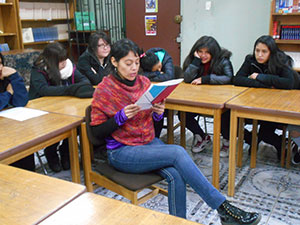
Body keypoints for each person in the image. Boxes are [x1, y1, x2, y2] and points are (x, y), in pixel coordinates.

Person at [90, 38, 261, 225]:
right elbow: (97, 133)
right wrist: (120, 117)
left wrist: (157, 114)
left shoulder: (144, 82)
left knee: (176, 173)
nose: (134, 68)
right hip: (122, 151)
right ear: (114, 62)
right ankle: (223, 208)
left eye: (137, 63)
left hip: (147, 143)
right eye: (128, 63)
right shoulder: (105, 90)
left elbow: (152, 129)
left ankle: (179, 222)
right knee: (178, 152)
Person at [221, 35, 300, 158]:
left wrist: (260, 76)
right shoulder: (250, 60)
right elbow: (237, 79)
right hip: (252, 104)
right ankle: (251, 138)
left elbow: (288, 83)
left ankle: (280, 143)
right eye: (257, 51)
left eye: (264, 51)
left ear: (271, 52)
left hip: (275, 106)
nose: (259, 55)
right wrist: (265, 85)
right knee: (226, 118)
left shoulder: (281, 60)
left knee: (266, 134)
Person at [29, 42, 94, 173]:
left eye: (65, 59)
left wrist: (70, 89)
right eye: (60, 61)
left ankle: (66, 150)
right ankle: (51, 151)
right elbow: (44, 90)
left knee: (79, 123)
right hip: (43, 110)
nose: (64, 63)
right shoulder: (39, 69)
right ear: (52, 61)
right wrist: (71, 89)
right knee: (56, 127)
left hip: (65, 107)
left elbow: (85, 82)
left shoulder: (69, 67)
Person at [181, 36, 233, 153]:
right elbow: (187, 78)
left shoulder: (223, 60)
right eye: (200, 52)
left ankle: (226, 142)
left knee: (226, 115)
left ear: (214, 53)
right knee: (183, 114)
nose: (203, 55)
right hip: (198, 99)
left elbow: (229, 78)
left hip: (219, 99)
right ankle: (202, 136)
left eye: (207, 52)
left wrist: (205, 79)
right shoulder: (194, 60)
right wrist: (195, 61)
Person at [0, 52, 35, 171]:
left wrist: (14, 75)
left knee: (25, 137)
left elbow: (21, 101)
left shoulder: (5, 78)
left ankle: (30, 177)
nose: (0, 68)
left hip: (8, 123)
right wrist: (8, 94)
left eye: (0, 63)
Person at [140, 47, 175, 138]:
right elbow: (141, 76)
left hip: (168, 95)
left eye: (159, 67)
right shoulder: (145, 59)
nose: (159, 70)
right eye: (156, 70)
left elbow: (169, 76)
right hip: (151, 93)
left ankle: (156, 137)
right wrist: (158, 74)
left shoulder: (166, 58)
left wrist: (152, 74)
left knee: (158, 110)